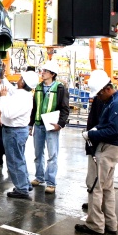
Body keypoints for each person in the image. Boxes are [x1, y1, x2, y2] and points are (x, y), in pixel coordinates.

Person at [75, 70, 118, 235]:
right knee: (107, 188)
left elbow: (113, 131)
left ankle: (95, 225)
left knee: (94, 186)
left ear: (107, 88)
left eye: (99, 94)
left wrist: (92, 134)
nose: (99, 97)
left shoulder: (117, 104)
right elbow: (107, 124)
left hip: (108, 149)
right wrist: (96, 129)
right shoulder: (113, 101)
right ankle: (110, 223)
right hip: (112, 149)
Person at [29, 60, 70, 194]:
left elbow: (65, 108)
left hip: (52, 126)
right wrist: (30, 124)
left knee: (52, 155)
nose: (42, 73)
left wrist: (60, 124)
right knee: (38, 154)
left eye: (45, 71)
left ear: (52, 74)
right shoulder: (38, 87)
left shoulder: (60, 88)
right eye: (42, 71)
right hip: (39, 125)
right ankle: (39, 177)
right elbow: (34, 107)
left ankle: (51, 183)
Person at [0, 71, 39, 200]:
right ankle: (25, 184)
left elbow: (8, 113)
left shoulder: (22, 98)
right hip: (17, 131)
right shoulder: (22, 94)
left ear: (23, 83)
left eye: (21, 78)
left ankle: (21, 189)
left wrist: (3, 97)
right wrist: (3, 77)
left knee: (14, 161)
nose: (18, 80)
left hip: (14, 132)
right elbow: (10, 88)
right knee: (19, 159)